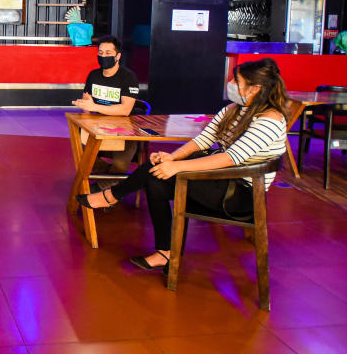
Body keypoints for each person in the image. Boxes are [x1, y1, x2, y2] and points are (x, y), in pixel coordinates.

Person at [76, 57, 289, 273]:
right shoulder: (235, 109)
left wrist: (177, 167)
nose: (231, 84)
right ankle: (164, 253)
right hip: (221, 180)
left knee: (157, 173)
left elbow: (231, 158)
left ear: (255, 88)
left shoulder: (270, 119)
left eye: (237, 81)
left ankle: (111, 196)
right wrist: (173, 158)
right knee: (156, 175)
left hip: (239, 195)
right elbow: (203, 140)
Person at [72, 35, 142, 175]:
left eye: (108, 53)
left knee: (120, 166)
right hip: (98, 130)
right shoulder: (93, 75)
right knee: (81, 156)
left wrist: (95, 107)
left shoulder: (128, 77)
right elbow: (87, 105)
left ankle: (104, 189)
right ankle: (110, 185)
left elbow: (125, 110)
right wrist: (86, 108)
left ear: (118, 56)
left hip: (124, 132)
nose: (104, 56)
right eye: (101, 53)